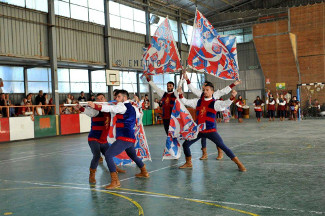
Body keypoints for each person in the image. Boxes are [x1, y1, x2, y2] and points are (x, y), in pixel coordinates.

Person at [177, 83, 246, 172]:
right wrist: (180, 93)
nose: (205, 92)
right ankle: (188, 162)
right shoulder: (197, 102)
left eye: (207, 90)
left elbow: (225, 104)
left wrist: (232, 97)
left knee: (223, 147)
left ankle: (239, 164)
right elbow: (185, 101)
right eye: (204, 90)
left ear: (212, 92)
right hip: (199, 131)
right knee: (186, 144)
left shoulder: (215, 103)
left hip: (211, 131)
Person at [88, 90, 150, 189]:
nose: (116, 99)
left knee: (108, 154)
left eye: (118, 97)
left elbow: (110, 108)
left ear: (125, 98)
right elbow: (139, 114)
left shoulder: (122, 106)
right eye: (116, 97)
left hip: (124, 138)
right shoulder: (133, 107)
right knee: (133, 155)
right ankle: (144, 172)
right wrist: (137, 104)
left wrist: (96, 105)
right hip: (130, 138)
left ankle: (115, 181)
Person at [183, 72, 241, 160]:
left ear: (210, 89)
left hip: (210, 115)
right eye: (203, 87)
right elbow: (192, 89)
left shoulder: (214, 95)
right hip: (201, 116)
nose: (204, 88)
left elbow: (224, 90)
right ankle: (204, 153)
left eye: (206, 87)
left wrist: (234, 84)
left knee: (215, 137)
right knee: (202, 137)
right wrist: (186, 79)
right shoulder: (201, 94)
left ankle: (220, 152)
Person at [75, 93, 125, 184]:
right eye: (97, 99)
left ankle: (114, 168)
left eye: (101, 98)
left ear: (105, 99)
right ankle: (92, 175)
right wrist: (81, 108)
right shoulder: (95, 109)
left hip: (103, 140)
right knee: (97, 156)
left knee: (109, 155)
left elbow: (119, 108)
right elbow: (90, 112)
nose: (99, 100)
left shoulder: (109, 108)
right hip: (94, 138)